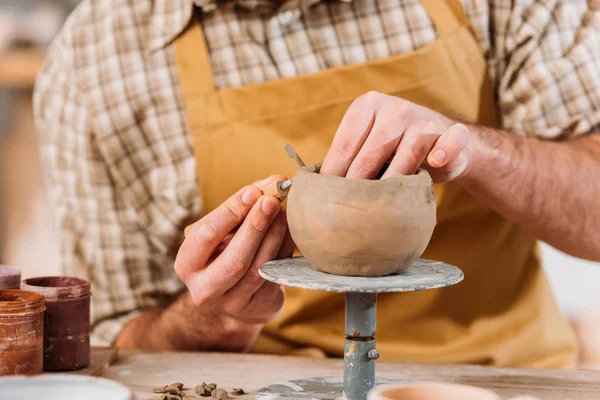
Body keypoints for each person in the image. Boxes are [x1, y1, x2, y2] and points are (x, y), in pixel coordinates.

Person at [34, 0, 600, 368]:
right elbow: (109, 349)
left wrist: (475, 151)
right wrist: (215, 318)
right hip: (272, 380)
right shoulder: (94, 65)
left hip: (502, 373)